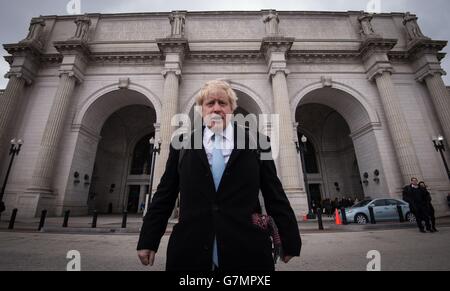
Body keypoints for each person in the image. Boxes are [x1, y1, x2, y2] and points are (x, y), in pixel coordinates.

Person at [137, 80, 301, 271]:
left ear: (232, 108)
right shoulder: (181, 143)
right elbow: (165, 194)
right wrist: (148, 238)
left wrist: (289, 238)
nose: (216, 108)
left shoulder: (259, 142)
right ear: (201, 110)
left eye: (222, 103)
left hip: (247, 253)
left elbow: (275, 194)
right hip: (189, 253)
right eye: (210, 103)